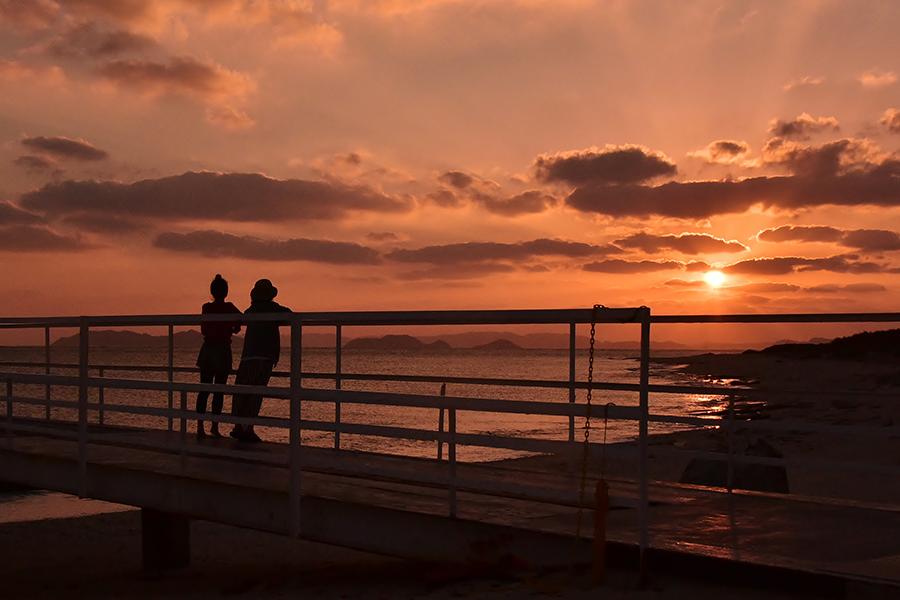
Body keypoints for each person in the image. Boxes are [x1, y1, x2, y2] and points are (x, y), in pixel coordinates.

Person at [230, 278, 292, 442]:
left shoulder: (251, 310)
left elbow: (243, 318)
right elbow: (290, 314)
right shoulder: (274, 308)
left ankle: (238, 426)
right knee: (256, 393)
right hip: (265, 356)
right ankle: (248, 428)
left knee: (241, 392)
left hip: (248, 355)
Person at [196, 274, 241, 438]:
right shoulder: (230, 307)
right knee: (219, 390)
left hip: (208, 349)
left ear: (212, 292)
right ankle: (214, 426)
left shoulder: (206, 308)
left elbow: (204, 330)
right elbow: (240, 321)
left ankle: (200, 426)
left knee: (204, 389)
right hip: (222, 350)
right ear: (226, 292)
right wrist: (233, 328)